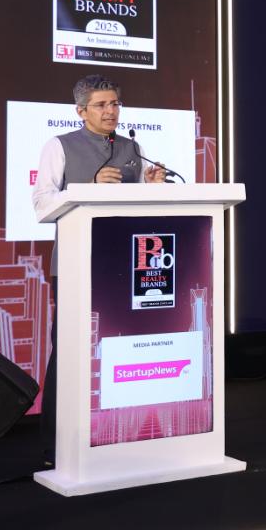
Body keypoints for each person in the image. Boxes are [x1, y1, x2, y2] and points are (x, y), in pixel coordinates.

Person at [31, 75, 165, 467]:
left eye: (115, 104)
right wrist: (88, 185)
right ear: (81, 110)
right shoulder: (59, 145)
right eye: (102, 105)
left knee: (120, 350)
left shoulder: (132, 148)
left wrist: (152, 186)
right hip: (76, 264)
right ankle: (57, 445)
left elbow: (138, 210)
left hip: (123, 265)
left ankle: (119, 434)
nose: (111, 111)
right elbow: (42, 205)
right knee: (70, 352)